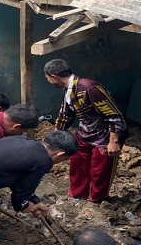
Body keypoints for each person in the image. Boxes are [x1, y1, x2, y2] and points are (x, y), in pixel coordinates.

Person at [44, 58, 127, 202]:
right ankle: (77, 196)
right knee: (77, 164)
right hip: (85, 133)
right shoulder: (68, 89)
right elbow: (65, 115)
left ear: (53, 77)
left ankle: (96, 200)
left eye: (47, 78)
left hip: (105, 136)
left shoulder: (90, 88)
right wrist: (54, 138)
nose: (48, 81)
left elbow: (114, 115)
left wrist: (114, 141)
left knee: (100, 171)